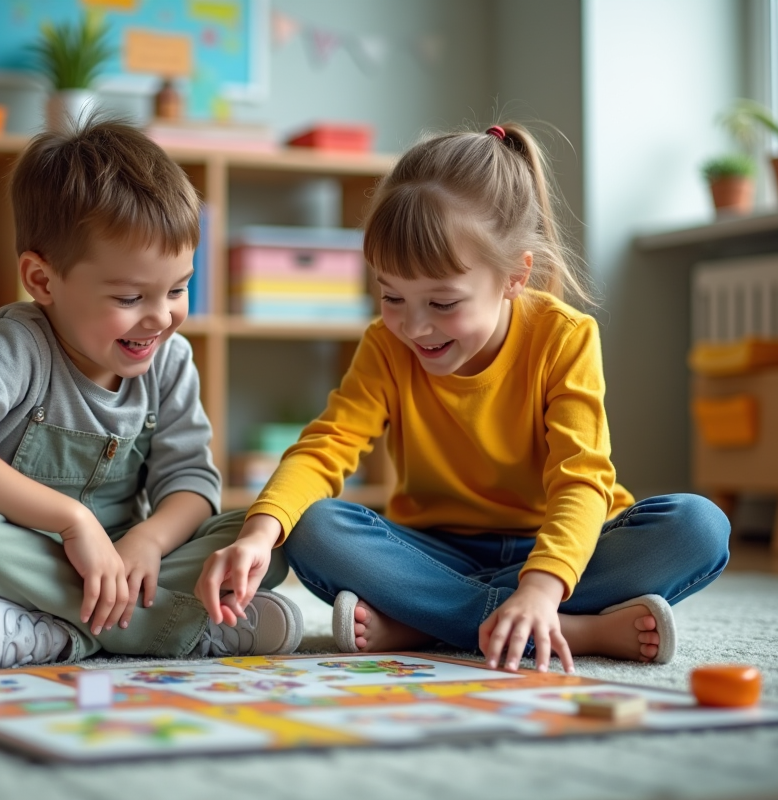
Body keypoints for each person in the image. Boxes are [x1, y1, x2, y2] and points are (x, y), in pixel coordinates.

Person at [194, 123, 730, 674]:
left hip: (557, 547)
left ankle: (428, 624)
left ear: (515, 276)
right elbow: (327, 446)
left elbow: (580, 478)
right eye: (392, 295)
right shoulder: (385, 343)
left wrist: (542, 587)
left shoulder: (564, 337)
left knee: (697, 527)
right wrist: (260, 533)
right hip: (434, 550)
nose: (414, 326)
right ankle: (577, 629)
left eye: (443, 303)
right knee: (314, 527)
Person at [0, 117, 302, 672]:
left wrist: (146, 541)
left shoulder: (170, 360)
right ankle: (167, 627)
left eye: (178, 289)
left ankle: (51, 634)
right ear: (43, 281)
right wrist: (73, 521)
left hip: (112, 572)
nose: (161, 317)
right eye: (129, 296)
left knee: (268, 534)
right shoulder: (20, 343)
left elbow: (191, 483)